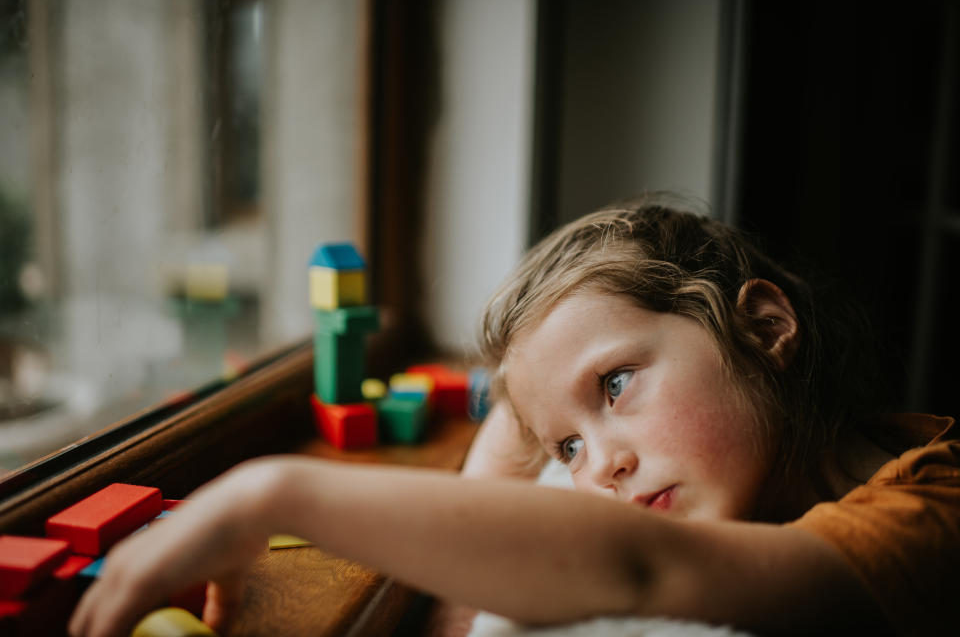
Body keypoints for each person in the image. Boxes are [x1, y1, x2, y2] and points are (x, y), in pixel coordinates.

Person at [70, 193, 959, 637]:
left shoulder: (930, 514)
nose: (600, 464)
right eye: (568, 445)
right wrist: (539, 416)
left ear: (764, 326)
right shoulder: (792, 472)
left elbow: (645, 571)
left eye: (615, 385)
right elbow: (474, 582)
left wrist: (268, 496)